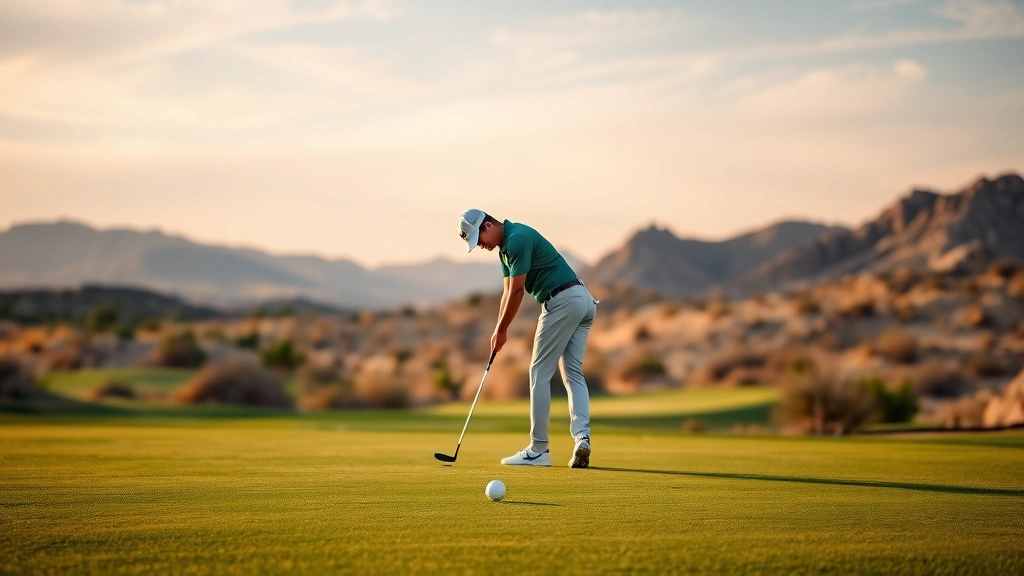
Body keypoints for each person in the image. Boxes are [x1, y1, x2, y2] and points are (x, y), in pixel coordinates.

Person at [457, 208, 599, 468]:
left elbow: (518, 292)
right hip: (583, 300)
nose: (480, 245)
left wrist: (503, 330)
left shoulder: (516, 241)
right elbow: (507, 292)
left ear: (488, 224)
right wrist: (498, 329)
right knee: (572, 373)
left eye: (479, 238)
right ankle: (582, 438)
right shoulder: (506, 248)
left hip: (562, 301)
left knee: (538, 373)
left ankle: (538, 449)